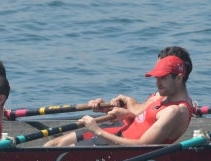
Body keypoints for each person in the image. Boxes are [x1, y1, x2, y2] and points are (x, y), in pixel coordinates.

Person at [44, 46, 195, 147]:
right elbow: (143, 119)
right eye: (156, 78)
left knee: (58, 151)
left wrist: (97, 131)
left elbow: (142, 146)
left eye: (163, 78)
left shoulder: (176, 111)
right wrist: (119, 111)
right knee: (52, 145)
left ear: (179, 78)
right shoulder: (162, 96)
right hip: (119, 134)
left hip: (121, 151)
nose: (157, 83)